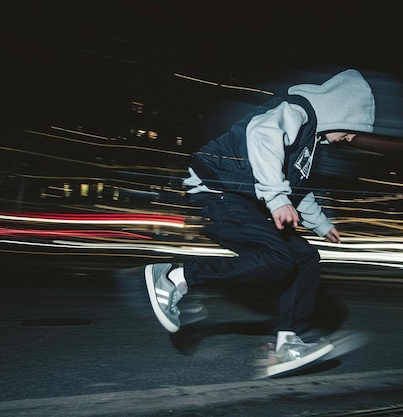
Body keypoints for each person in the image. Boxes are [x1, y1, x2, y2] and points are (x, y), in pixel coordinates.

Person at [144, 69, 375, 376]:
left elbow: (297, 189)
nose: (352, 137)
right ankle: (176, 277)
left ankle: (287, 343)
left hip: (239, 199)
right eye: (352, 127)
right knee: (277, 259)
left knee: (305, 257)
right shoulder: (296, 111)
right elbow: (262, 135)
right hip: (215, 190)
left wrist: (321, 224)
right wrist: (277, 199)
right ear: (339, 112)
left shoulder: (310, 142)